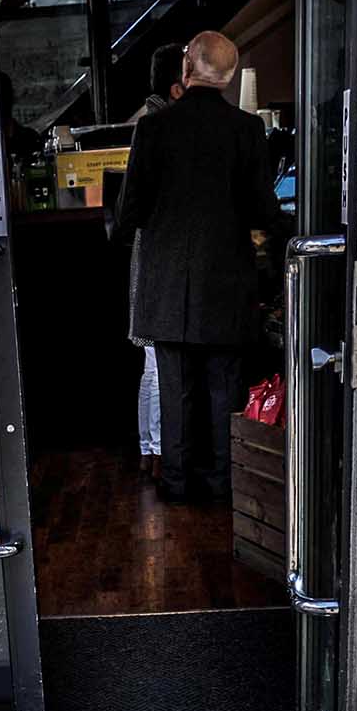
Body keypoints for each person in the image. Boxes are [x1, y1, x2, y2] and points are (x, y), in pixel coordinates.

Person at [115, 29, 285, 503]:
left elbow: (130, 214)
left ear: (186, 68)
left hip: (167, 282)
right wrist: (291, 230)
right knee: (223, 390)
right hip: (226, 281)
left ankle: (175, 483)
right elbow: (261, 211)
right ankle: (220, 485)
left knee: (175, 391)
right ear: (229, 76)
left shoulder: (152, 128)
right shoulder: (247, 130)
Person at [128, 43, 186, 471]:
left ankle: (153, 448)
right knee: (155, 360)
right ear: (176, 86)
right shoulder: (158, 126)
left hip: (151, 253)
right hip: (157, 255)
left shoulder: (153, 122)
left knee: (153, 358)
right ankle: (155, 449)